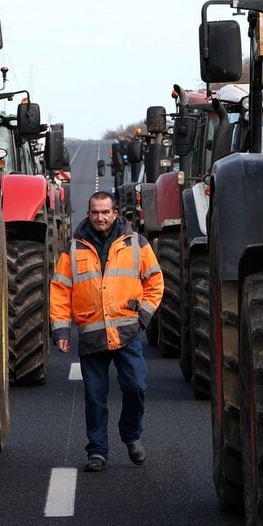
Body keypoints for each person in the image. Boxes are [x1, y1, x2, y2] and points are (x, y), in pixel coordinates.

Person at [50, 191, 163, 472]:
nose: (100, 217)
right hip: (91, 334)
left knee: (136, 387)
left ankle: (131, 435)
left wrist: (142, 318)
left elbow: (155, 281)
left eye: (105, 212)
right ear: (88, 214)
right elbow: (60, 290)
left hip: (127, 332)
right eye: (95, 212)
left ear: (115, 213)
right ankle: (98, 451)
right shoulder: (74, 248)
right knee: (95, 396)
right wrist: (62, 332)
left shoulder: (136, 243)